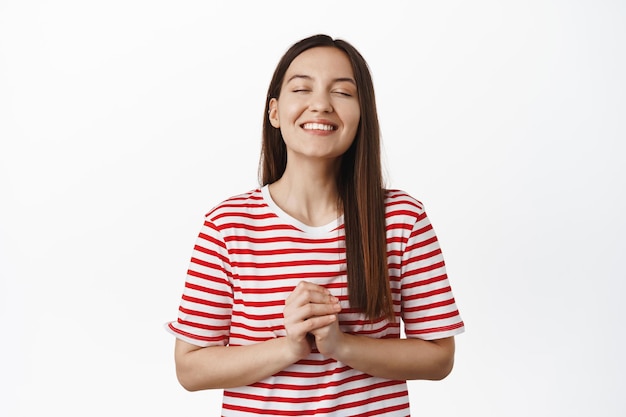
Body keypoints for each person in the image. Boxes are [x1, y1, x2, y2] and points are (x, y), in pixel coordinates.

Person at [165, 34, 465, 416]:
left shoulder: (402, 218)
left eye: (342, 92)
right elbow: (190, 368)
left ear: (363, 115)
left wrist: (341, 345)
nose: (320, 105)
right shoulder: (228, 224)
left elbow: (438, 358)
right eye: (302, 88)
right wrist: (290, 346)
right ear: (274, 112)